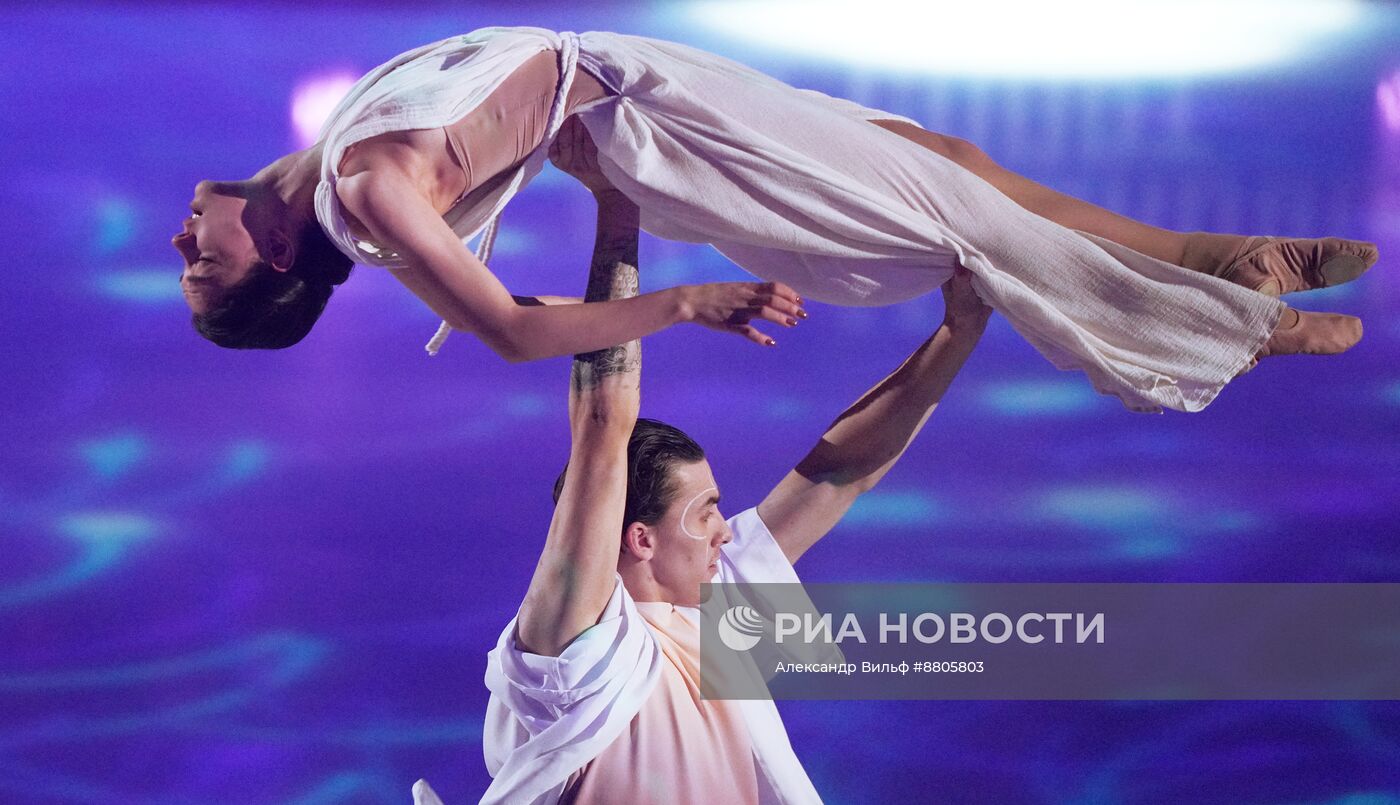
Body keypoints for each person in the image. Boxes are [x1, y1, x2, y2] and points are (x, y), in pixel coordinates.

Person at [171, 25, 1379, 413]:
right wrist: (683, 301)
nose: (181, 243)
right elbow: (509, 331)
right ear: (271, 257)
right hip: (669, 131)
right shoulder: (365, 194)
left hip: (650, 83)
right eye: (199, 270)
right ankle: (1230, 324)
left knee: (939, 154)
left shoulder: (314, 174)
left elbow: (275, 211)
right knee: (947, 210)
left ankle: (1221, 255)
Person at [400, 150, 993, 804]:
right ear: (640, 537)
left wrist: (959, 331)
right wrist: (617, 200)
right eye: (706, 510)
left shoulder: (712, 614)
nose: (724, 532)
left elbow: (838, 473)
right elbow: (602, 422)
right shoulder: (574, 648)